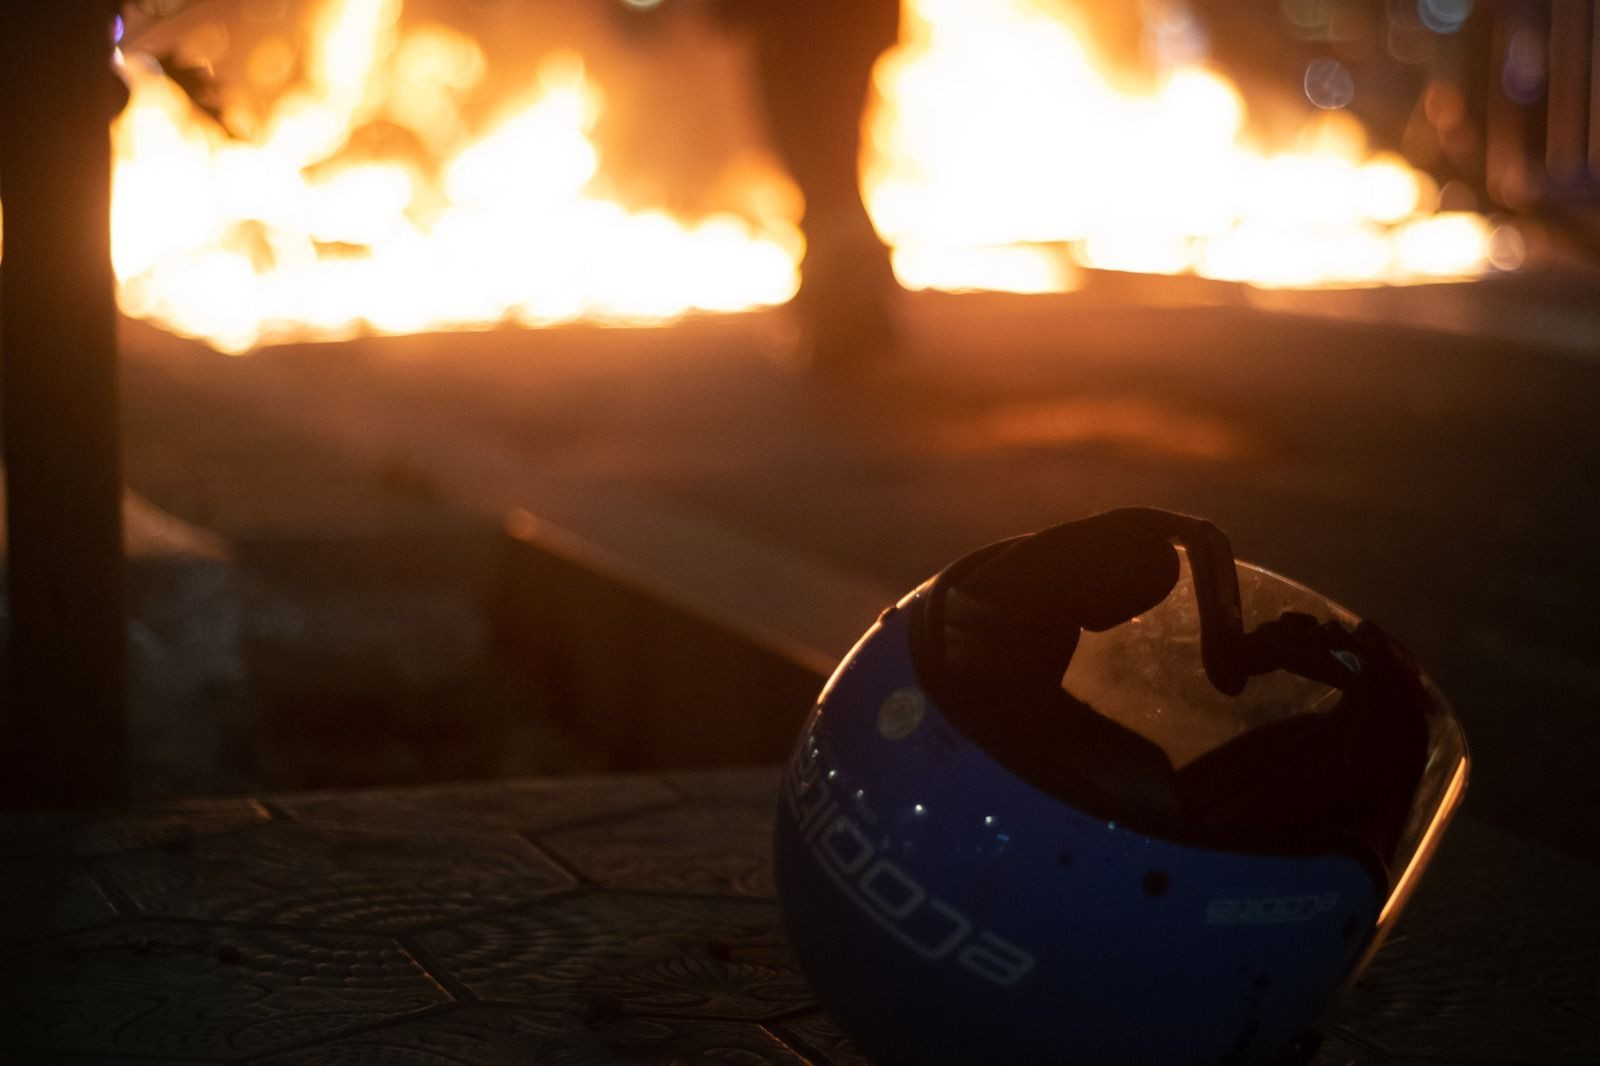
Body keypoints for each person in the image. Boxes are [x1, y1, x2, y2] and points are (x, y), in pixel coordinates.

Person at [712, 1, 902, 370]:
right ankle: (851, 310)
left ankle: (843, 311)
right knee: (829, 168)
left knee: (820, 167)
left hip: (796, 24)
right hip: (833, 23)